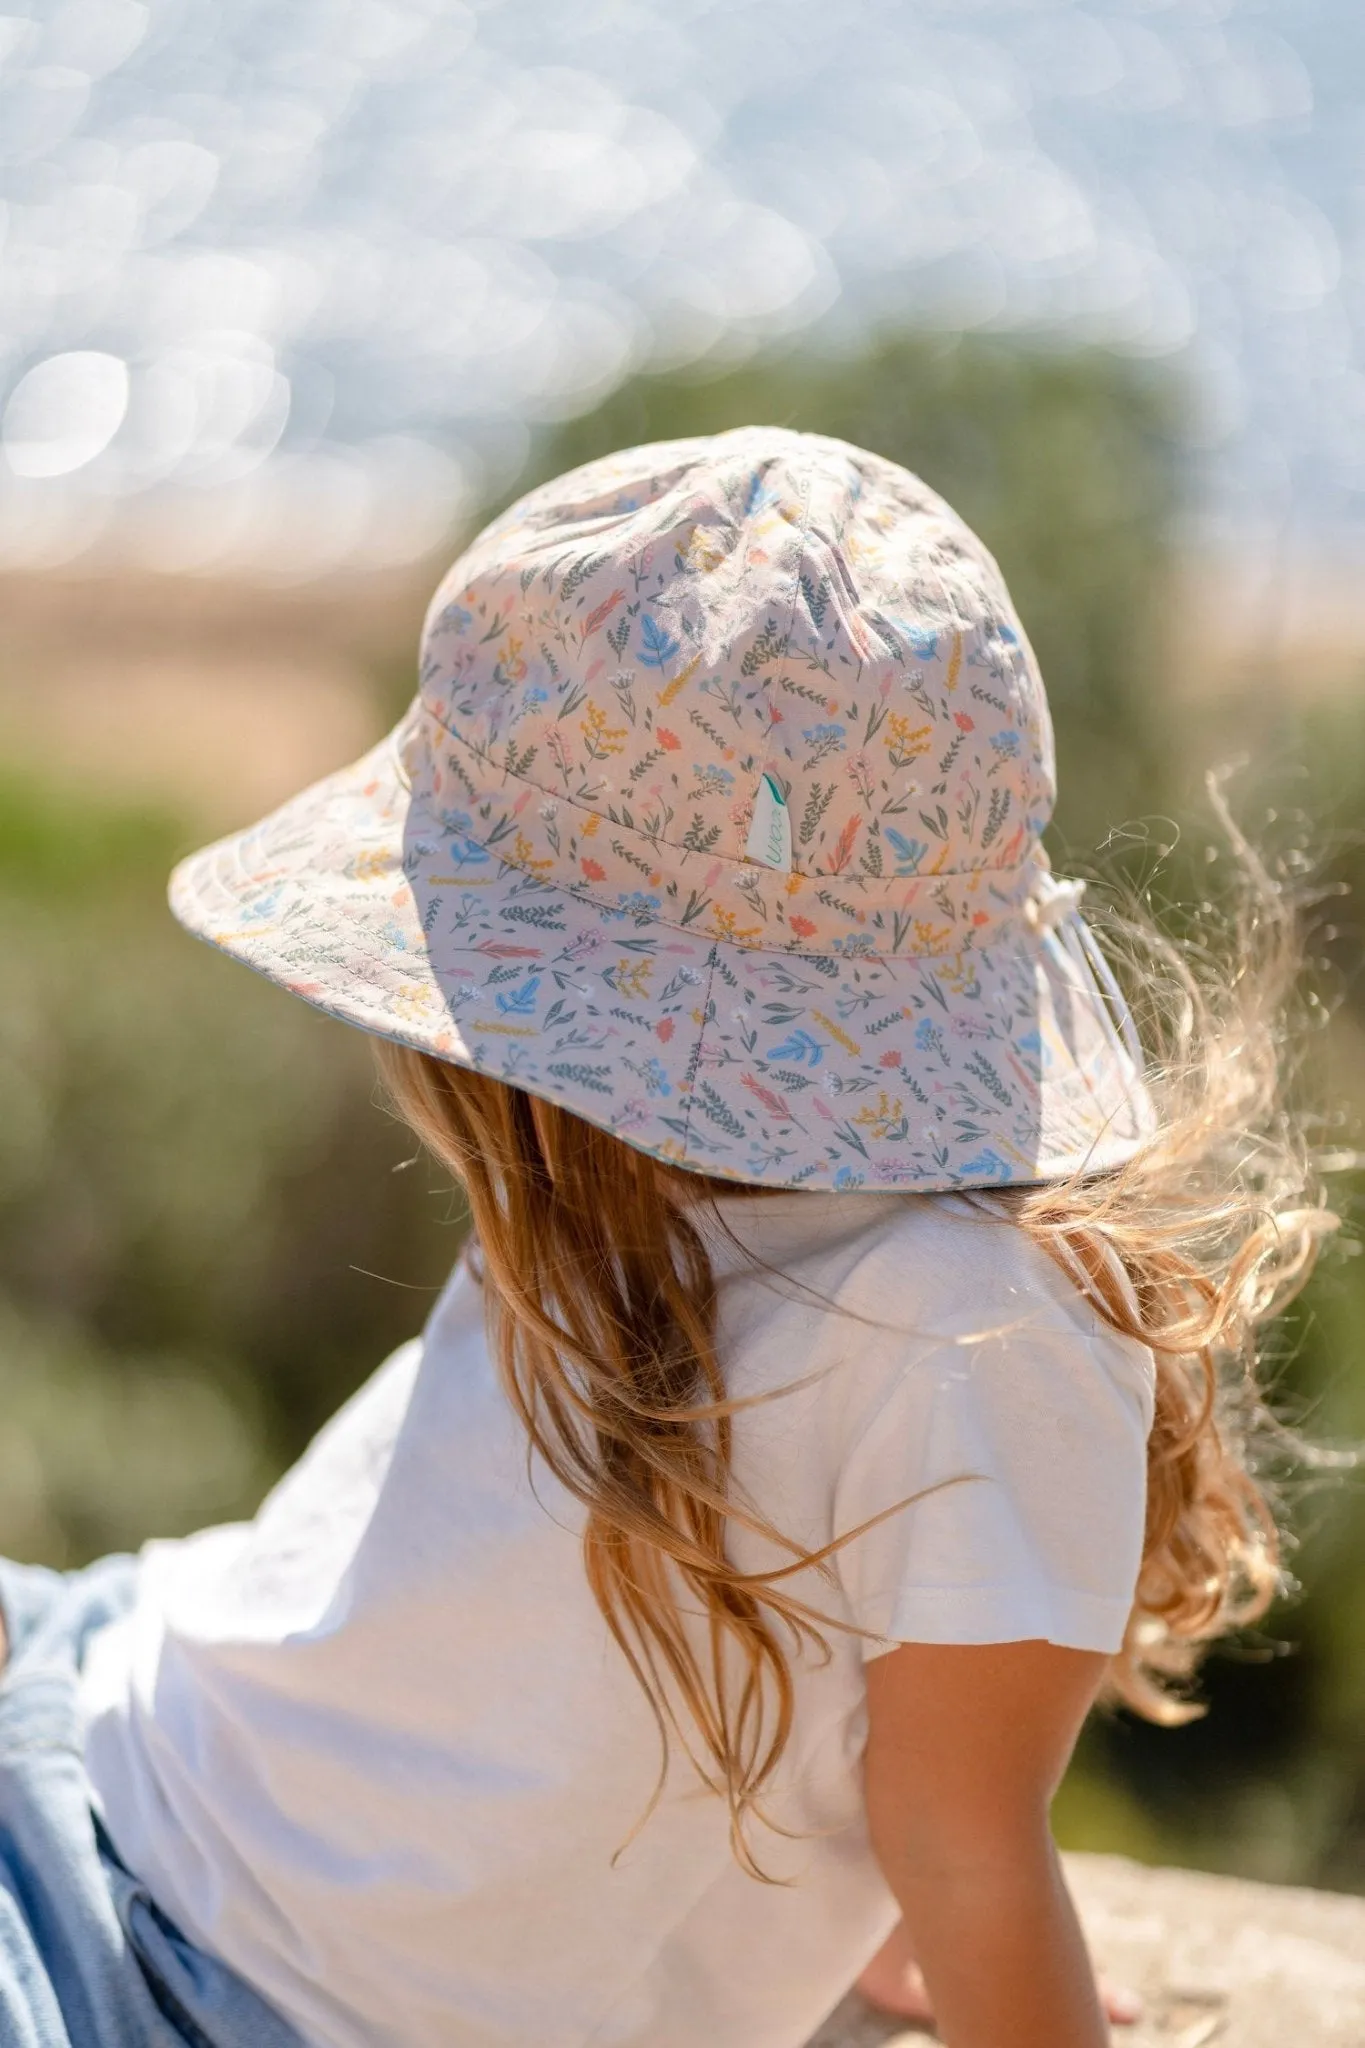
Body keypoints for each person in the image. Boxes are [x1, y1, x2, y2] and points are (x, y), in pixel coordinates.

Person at [0, 429, 1333, 2048]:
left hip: (198, 1988)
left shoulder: (977, 1336)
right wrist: (840, 1903)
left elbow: (967, 1841)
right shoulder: (649, 1184)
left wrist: (904, 1895)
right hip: (126, 1705)